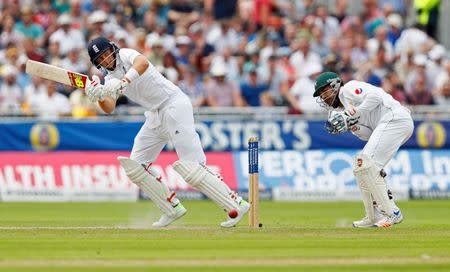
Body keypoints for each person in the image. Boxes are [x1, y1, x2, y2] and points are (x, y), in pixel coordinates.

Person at [85, 37, 249, 228]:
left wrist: (123, 81)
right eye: (100, 59)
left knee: (191, 167)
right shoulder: (110, 80)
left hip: (174, 105)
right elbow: (109, 108)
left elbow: (143, 63)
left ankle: (236, 204)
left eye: (106, 54)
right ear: (97, 64)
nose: (106, 60)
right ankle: (171, 209)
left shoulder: (126, 55)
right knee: (135, 166)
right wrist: (98, 96)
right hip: (154, 115)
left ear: (112, 49)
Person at [313, 71, 413, 228]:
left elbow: (376, 97)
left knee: (366, 162)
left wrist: (356, 113)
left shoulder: (348, 89)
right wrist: (353, 125)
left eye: (324, 91)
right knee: (361, 166)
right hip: (390, 124)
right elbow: (370, 135)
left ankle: (392, 212)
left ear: (335, 85)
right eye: (320, 94)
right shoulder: (343, 108)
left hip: (395, 118)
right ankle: (373, 216)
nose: (323, 97)